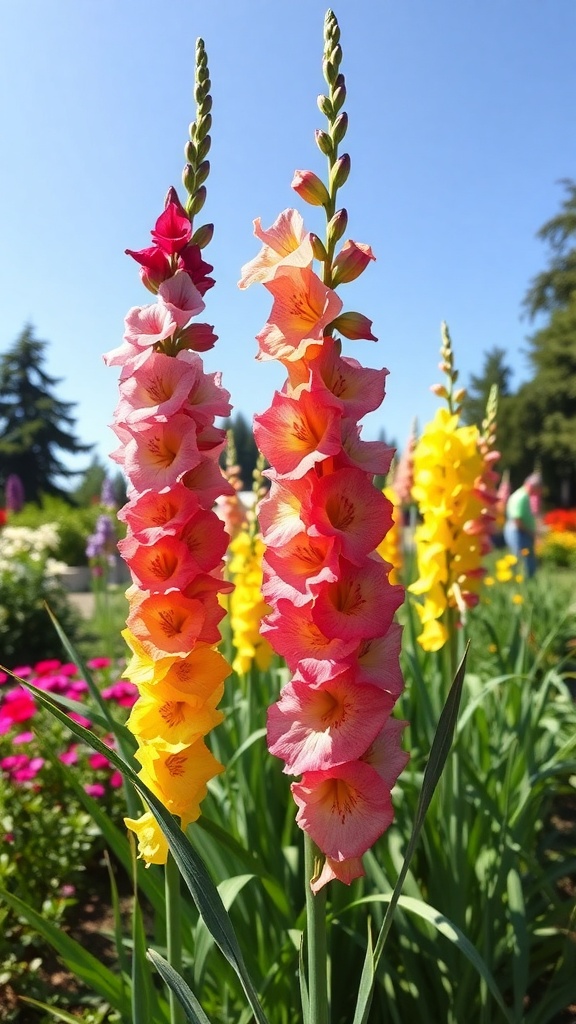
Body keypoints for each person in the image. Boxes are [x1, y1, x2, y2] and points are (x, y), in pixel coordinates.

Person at [503, 473, 542, 578]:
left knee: (523, 558)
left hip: (520, 531)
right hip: (518, 532)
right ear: (532, 486)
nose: (538, 492)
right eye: (538, 488)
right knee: (521, 559)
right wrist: (531, 533)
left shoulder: (524, 496)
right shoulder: (521, 497)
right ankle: (519, 581)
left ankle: (521, 581)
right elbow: (517, 519)